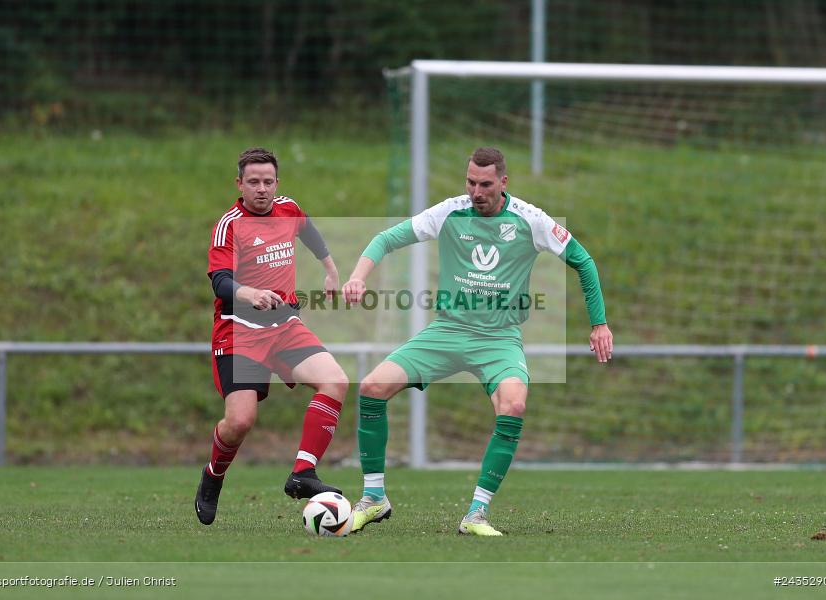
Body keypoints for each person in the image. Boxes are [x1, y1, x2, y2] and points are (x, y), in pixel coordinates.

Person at [342, 147, 613, 536]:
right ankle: (373, 499)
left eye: (485, 184)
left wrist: (599, 324)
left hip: (498, 339)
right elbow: (385, 239)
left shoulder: (531, 220)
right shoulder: (450, 212)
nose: (476, 192)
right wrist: (357, 276)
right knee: (371, 387)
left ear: (503, 182)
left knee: (514, 404)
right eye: (470, 182)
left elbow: (583, 261)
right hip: (447, 332)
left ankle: (476, 514)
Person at [195, 147, 349, 525]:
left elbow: (309, 232)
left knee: (336, 381)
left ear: (276, 183)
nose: (261, 189)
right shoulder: (230, 225)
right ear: (240, 184)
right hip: (240, 332)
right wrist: (249, 293)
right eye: (253, 182)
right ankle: (213, 475)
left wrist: (330, 269)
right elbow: (220, 282)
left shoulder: (288, 209)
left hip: (284, 326)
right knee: (240, 422)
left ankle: (303, 473)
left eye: (267, 182)